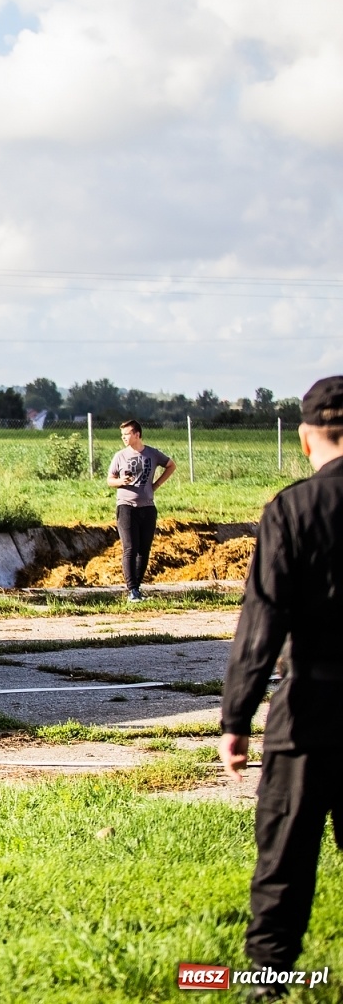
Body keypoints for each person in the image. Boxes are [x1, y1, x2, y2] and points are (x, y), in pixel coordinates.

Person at [220, 376, 343, 996]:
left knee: (286, 853)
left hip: (311, 708)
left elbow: (261, 620)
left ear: (303, 438)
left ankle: (267, 978)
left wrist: (236, 720)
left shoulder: (291, 510)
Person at [105, 419, 176, 602]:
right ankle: (132, 590)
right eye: (122, 435)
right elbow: (110, 480)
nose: (124, 438)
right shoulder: (120, 456)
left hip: (148, 508)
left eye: (127, 434)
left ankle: (137, 587)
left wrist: (156, 485)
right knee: (130, 548)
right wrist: (121, 482)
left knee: (144, 550)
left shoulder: (152, 454)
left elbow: (171, 465)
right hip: (126, 507)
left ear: (137, 434)